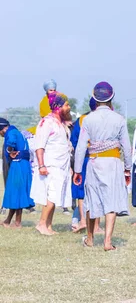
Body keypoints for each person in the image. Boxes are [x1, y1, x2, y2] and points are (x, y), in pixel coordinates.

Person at [74, 82, 132, 250]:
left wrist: (77, 170)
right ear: (111, 97)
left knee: (91, 201)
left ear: (94, 98)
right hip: (113, 163)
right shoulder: (119, 119)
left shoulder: (88, 119)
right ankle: (107, 242)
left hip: (93, 161)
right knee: (111, 201)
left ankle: (90, 239)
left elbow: (80, 147)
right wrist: (127, 168)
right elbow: (126, 147)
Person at [32, 91, 73, 235]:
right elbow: (39, 146)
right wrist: (41, 165)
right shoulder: (46, 122)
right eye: (66, 105)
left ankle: (49, 225)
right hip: (51, 165)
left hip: (62, 165)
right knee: (52, 196)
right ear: (58, 106)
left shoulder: (60, 123)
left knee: (56, 197)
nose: (69, 107)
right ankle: (41, 224)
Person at [70, 97, 102, 233]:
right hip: (98, 158)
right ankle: (96, 226)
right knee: (98, 191)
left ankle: (83, 221)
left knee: (81, 192)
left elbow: (74, 141)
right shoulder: (104, 120)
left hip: (83, 158)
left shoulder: (81, 120)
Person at [0, 118, 35, 228]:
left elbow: (11, 143)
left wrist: (10, 151)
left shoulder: (11, 133)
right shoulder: (16, 131)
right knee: (16, 193)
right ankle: (7, 221)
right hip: (23, 165)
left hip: (18, 164)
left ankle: (18, 222)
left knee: (17, 193)